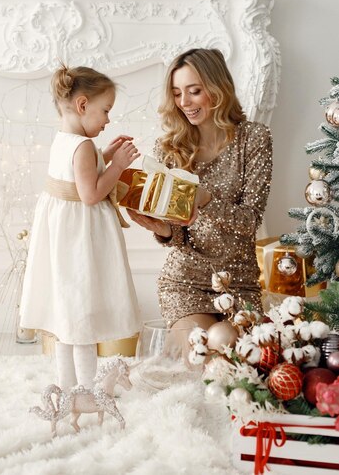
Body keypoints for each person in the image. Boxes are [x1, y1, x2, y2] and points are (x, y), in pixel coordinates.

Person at [127, 48, 272, 334]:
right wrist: (164, 230)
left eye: (194, 91)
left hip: (239, 281)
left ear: (218, 89)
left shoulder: (254, 138)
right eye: (177, 93)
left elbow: (249, 222)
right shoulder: (168, 148)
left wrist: (204, 199)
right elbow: (179, 233)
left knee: (226, 347)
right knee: (200, 348)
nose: (184, 102)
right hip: (185, 282)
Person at [19, 65, 141, 390]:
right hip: (79, 242)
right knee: (82, 316)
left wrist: (105, 155)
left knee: (66, 319)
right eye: (106, 110)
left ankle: (67, 385)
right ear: (83, 105)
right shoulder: (83, 146)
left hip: (62, 238)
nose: (108, 120)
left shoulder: (64, 139)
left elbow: (79, 171)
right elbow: (91, 193)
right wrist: (117, 165)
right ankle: (87, 390)